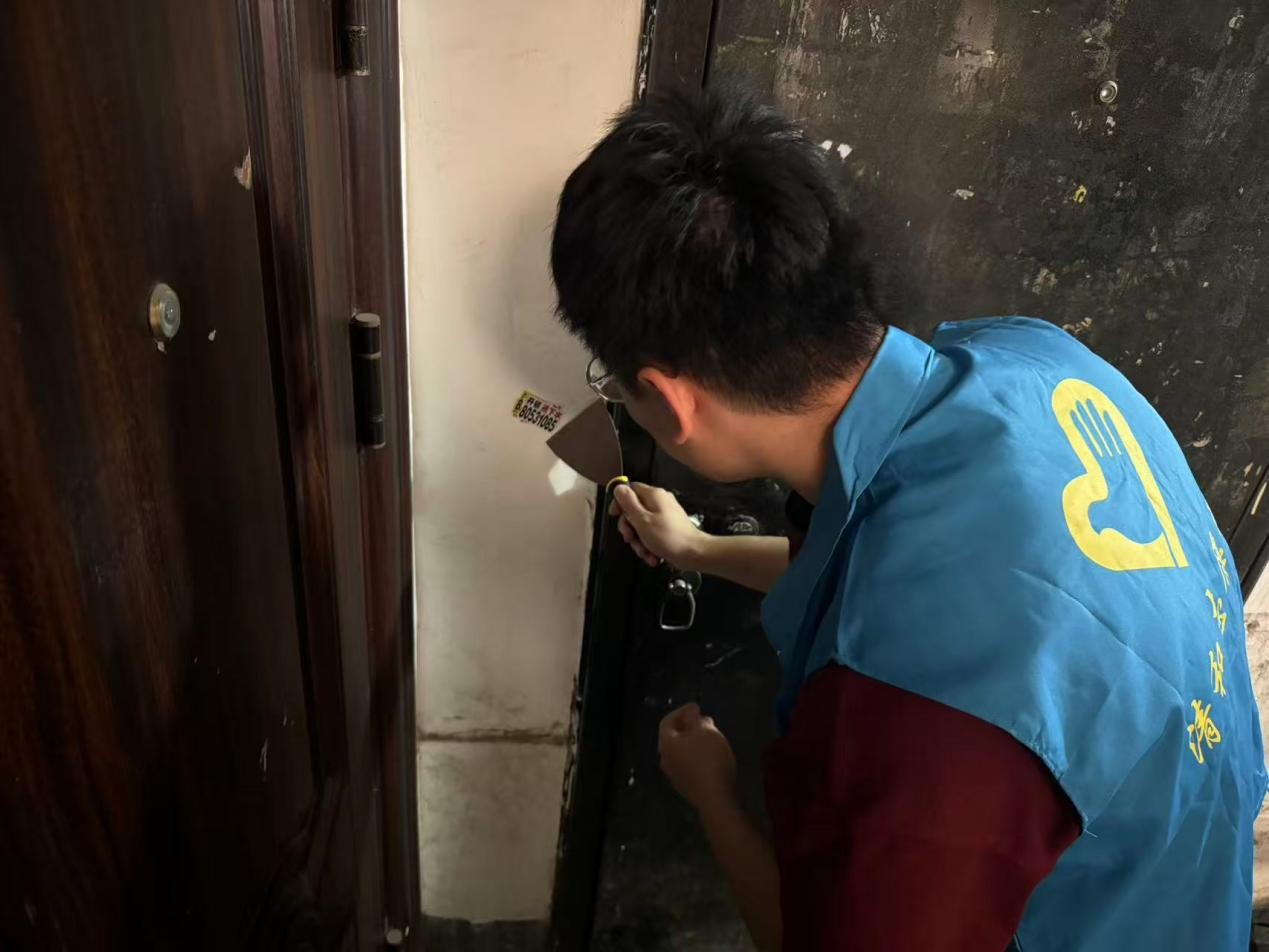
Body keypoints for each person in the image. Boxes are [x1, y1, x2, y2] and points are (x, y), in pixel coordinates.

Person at [550, 91, 1266, 951]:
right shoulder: (1033, 362)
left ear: (669, 402)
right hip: (1190, 881)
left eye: (614, 383)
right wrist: (698, 548)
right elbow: (916, 585)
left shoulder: (912, 725)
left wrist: (712, 798)